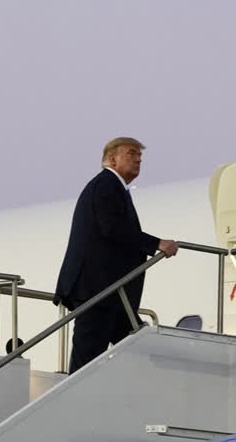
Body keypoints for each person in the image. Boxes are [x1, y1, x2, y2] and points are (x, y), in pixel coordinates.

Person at [54, 137, 178, 374]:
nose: (138, 159)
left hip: (111, 291)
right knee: (88, 356)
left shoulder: (115, 188)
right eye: (131, 154)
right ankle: (80, 401)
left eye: (140, 156)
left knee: (130, 343)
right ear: (112, 159)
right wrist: (156, 243)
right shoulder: (106, 185)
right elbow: (111, 228)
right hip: (98, 289)